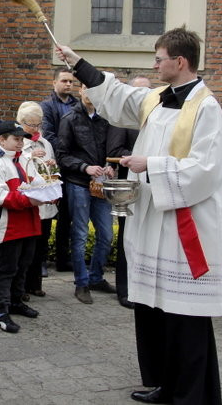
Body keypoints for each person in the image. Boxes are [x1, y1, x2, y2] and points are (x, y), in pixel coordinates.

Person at [57, 27, 222, 404]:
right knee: (156, 311)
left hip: (185, 228)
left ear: (180, 61)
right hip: (154, 221)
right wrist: (78, 63)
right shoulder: (157, 97)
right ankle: (164, 384)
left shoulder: (206, 108)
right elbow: (119, 95)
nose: (154, 65)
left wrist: (150, 165)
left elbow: (208, 169)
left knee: (185, 319)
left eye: (159, 59)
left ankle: (192, 395)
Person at [0, 121, 44, 333]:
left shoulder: (24, 158)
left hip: (29, 223)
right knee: (6, 270)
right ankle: (1, 311)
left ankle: (16, 302)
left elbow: (37, 181)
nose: (20, 143)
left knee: (23, 266)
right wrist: (32, 199)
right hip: (10, 226)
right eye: (16, 139)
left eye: (21, 139)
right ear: (1, 139)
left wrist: (49, 191)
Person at [56, 84, 115, 304]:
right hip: (78, 183)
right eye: (85, 89)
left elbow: (112, 148)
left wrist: (110, 165)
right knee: (80, 235)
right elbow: (62, 155)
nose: (90, 94)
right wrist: (84, 167)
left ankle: (96, 277)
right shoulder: (69, 119)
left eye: (94, 90)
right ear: (80, 92)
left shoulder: (106, 119)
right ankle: (81, 282)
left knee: (106, 234)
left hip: (101, 185)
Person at [106, 76, 152, 309]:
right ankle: (124, 289)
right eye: (138, 92)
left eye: (147, 91)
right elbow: (115, 150)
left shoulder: (156, 117)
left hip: (153, 186)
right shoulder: (122, 120)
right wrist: (140, 158)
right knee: (127, 237)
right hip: (129, 187)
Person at [16, 102, 57, 298]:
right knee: (25, 249)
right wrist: (29, 156)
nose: (35, 129)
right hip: (28, 201)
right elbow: (14, 164)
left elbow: (52, 168)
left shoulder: (46, 143)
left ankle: (35, 284)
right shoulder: (18, 142)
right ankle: (21, 287)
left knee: (40, 246)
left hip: (45, 202)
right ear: (20, 122)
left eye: (38, 124)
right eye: (31, 125)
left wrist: (50, 164)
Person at [40, 68, 78, 273]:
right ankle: (42, 259)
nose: (68, 85)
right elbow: (47, 134)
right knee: (46, 213)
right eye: (64, 81)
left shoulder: (77, 105)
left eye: (71, 81)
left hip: (72, 168)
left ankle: (63, 258)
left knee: (66, 215)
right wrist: (66, 151)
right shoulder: (46, 106)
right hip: (53, 165)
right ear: (54, 83)